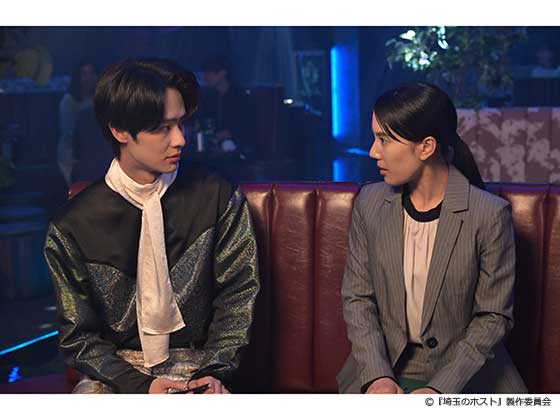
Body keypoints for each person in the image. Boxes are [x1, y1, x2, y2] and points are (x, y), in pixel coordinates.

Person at [44, 58, 260, 394]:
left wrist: (214, 371)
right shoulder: (73, 225)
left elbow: (238, 296)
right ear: (120, 130)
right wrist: (141, 386)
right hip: (114, 372)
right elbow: (79, 337)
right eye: (162, 128)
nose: (180, 139)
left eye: (181, 123)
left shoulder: (216, 195)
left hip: (201, 364)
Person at [337, 82, 527, 394]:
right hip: (383, 368)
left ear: (426, 147)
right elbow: (358, 299)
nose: (373, 152)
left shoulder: (489, 214)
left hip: (468, 377)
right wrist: (377, 377)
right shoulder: (369, 204)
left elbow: (493, 318)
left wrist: (439, 390)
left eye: (384, 140)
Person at [199, 55, 255, 155]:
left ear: (223, 73)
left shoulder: (240, 96)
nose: (206, 77)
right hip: (214, 147)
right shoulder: (209, 97)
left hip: (238, 148)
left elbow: (247, 126)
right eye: (205, 73)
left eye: (210, 72)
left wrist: (229, 133)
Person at [57, 61, 98, 185]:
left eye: (92, 73)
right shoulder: (68, 101)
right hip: (72, 157)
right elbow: (69, 132)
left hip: (95, 155)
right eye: (84, 74)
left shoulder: (100, 100)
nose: (89, 78)